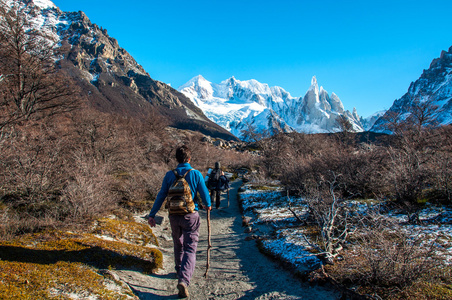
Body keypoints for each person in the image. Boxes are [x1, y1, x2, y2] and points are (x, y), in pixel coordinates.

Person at [148, 145, 211, 299]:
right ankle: (184, 279)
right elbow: (205, 194)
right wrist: (207, 205)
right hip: (191, 215)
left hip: (173, 216)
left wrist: (152, 214)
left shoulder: (170, 175)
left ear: (176, 159)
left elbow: (161, 195)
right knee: (191, 248)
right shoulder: (196, 174)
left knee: (178, 243)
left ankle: (178, 269)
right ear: (189, 158)